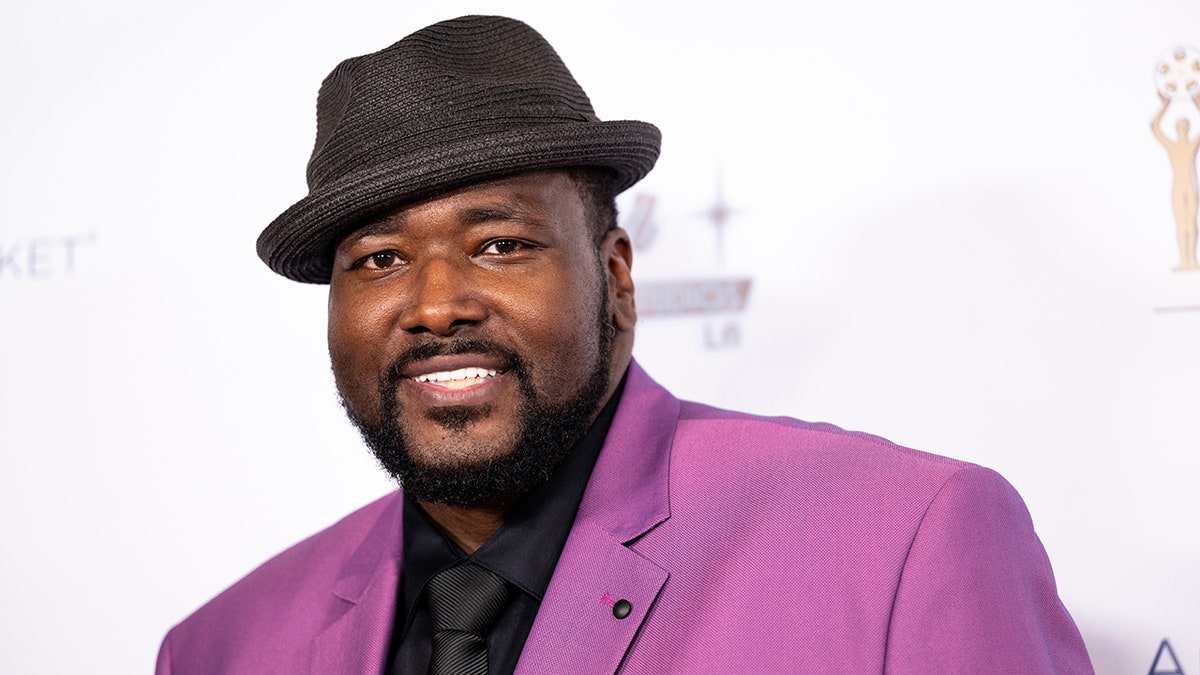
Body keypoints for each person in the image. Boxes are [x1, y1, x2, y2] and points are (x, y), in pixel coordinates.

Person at [156, 15, 1093, 674]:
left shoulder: (907, 541)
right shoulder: (220, 647)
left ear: (617, 276)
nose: (436, 304)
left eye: (500, 244)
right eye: (380, 259)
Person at [1152, 91, 1200, 271]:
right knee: (1181, 222)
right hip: (1178, 186)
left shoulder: (1192, 145)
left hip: (1191, 184)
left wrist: (1197, 103)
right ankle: (1184, 260)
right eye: (1179, 126)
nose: (1182, 129)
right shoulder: (1172, 146)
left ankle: (1192, 260)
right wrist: (1165, 105)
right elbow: (1155, 126)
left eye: (1185, 126)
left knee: (1191, 220)